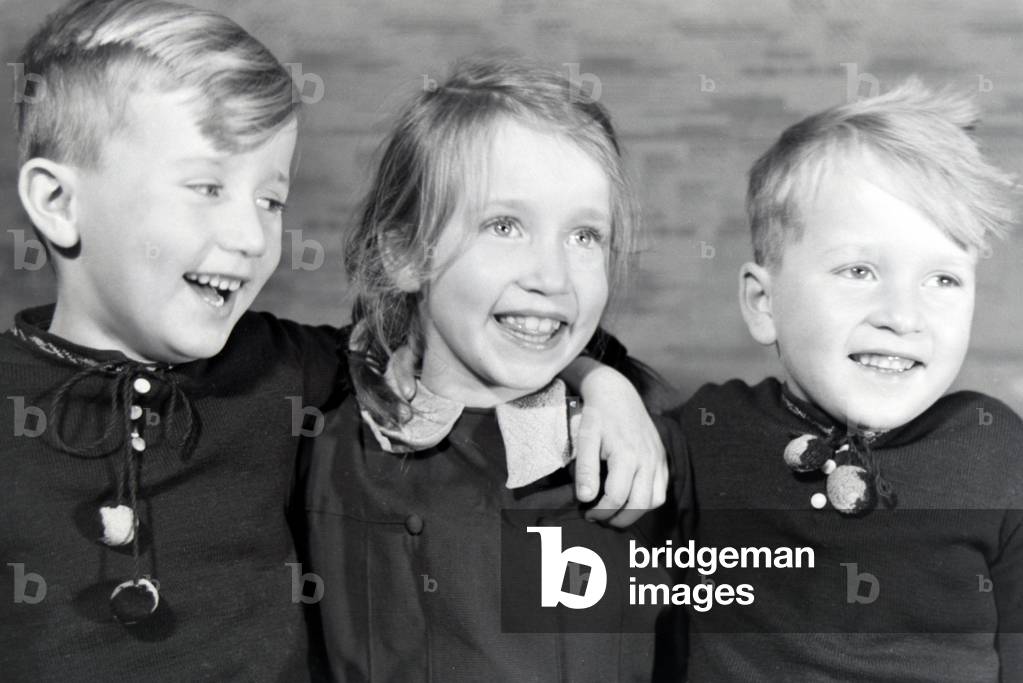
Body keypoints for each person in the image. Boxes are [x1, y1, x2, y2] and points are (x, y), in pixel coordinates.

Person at [0, 2, 662, 679]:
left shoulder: (285, 371)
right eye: (206, 186)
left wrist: (600, 381)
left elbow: (462, 336)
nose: (250, 236)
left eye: (269, 200)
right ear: (57, 201)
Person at [297, 57, 681, 682]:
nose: (551, 278)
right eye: (504, 225)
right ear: (403, 255)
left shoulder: (642, 451)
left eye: (585, 236)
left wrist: (603, 380)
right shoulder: (318, 435)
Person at [672, 79, 1023, 682]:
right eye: (859, 270)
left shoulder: (997, 450)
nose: (903, 316)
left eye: (942, 279)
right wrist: (596, 382)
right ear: (763, 303)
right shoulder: (705, 435)